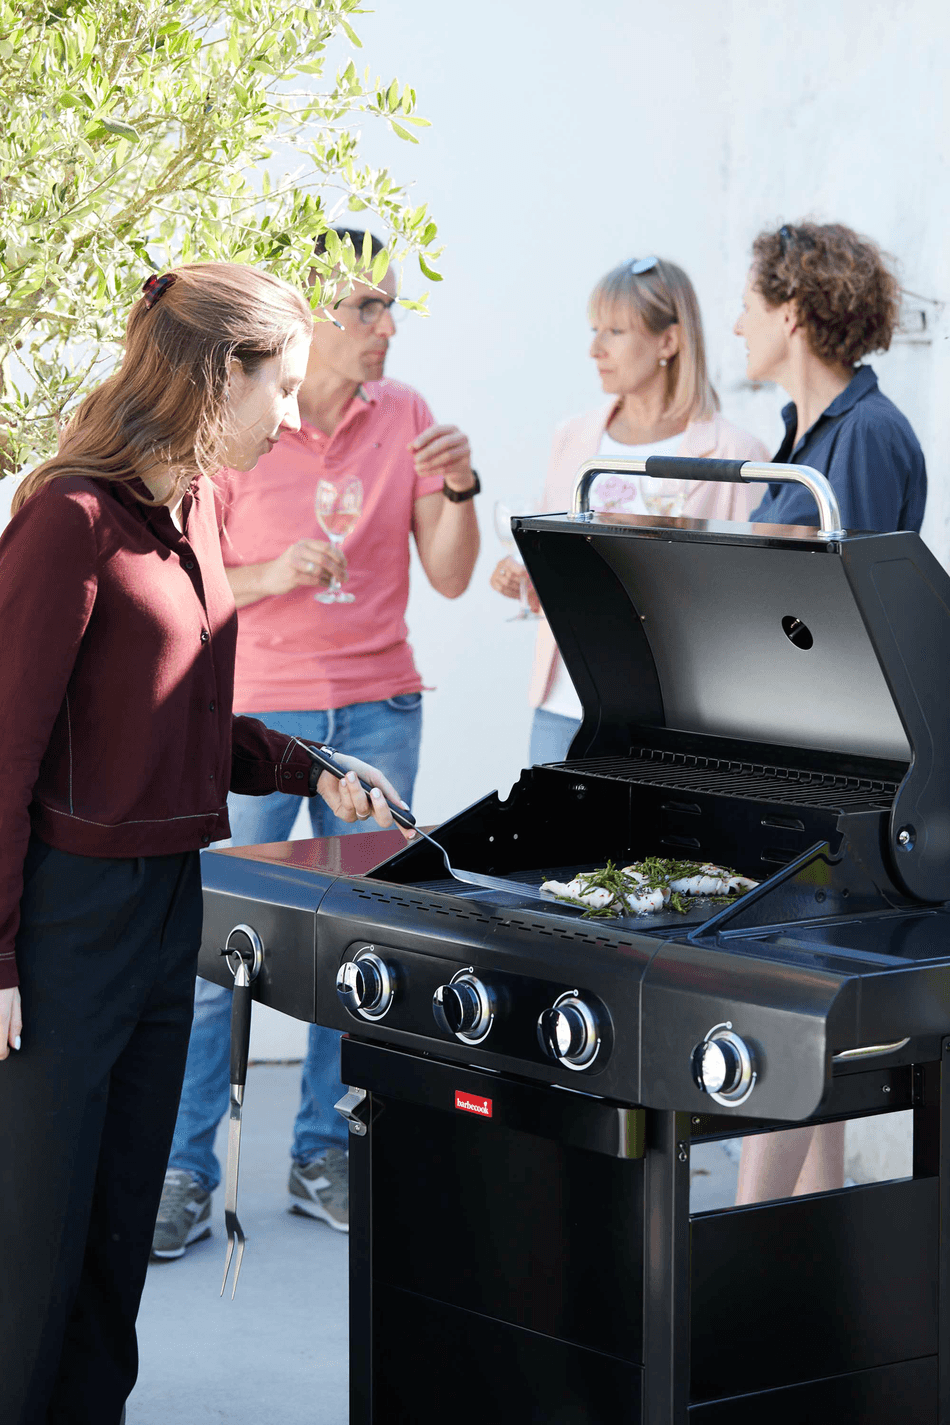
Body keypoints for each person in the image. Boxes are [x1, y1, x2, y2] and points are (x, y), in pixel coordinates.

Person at [0, 262, 411, 1425]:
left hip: (167, 904)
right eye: (278, 385)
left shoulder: (192, 511)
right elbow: (5, 748)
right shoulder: (67, 521)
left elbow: (178, 715)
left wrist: (310, 768)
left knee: (115, 1239)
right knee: (33, 1253)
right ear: (220, 371)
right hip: (65, 920)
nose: (289, 413)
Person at [151, 228, 480, 1259]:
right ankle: (186, 1170)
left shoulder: (408, 415)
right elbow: (196, 582)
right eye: (366, 306)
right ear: (314, 315)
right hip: (256, 722)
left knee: (359, 949)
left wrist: (462, 489)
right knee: (222, 951)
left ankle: (323, 1153)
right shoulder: (248, 421)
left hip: (380, 711)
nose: (386, 326)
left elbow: (451, 574)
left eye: (390, 306)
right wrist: (276, 573)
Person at [733, 220, 927, 1206]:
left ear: (793, 314)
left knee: (786, 1020)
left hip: (845, 773)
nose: (735, 326)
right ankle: (805, 1249)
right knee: (803, 1021)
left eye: (747, 305)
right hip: (797, 754)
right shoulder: (804, 434)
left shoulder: (866, 436)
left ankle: (740, 1248)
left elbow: (846, 618)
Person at [490, 255, 769, 764]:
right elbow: (556, 564)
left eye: (615, 331)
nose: (595, 349)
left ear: (669, 341)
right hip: (564, 706)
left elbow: (750, 598)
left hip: (672, 720)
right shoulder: (573, 437)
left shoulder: (736, 452)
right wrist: (527, 579)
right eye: (595, 330)